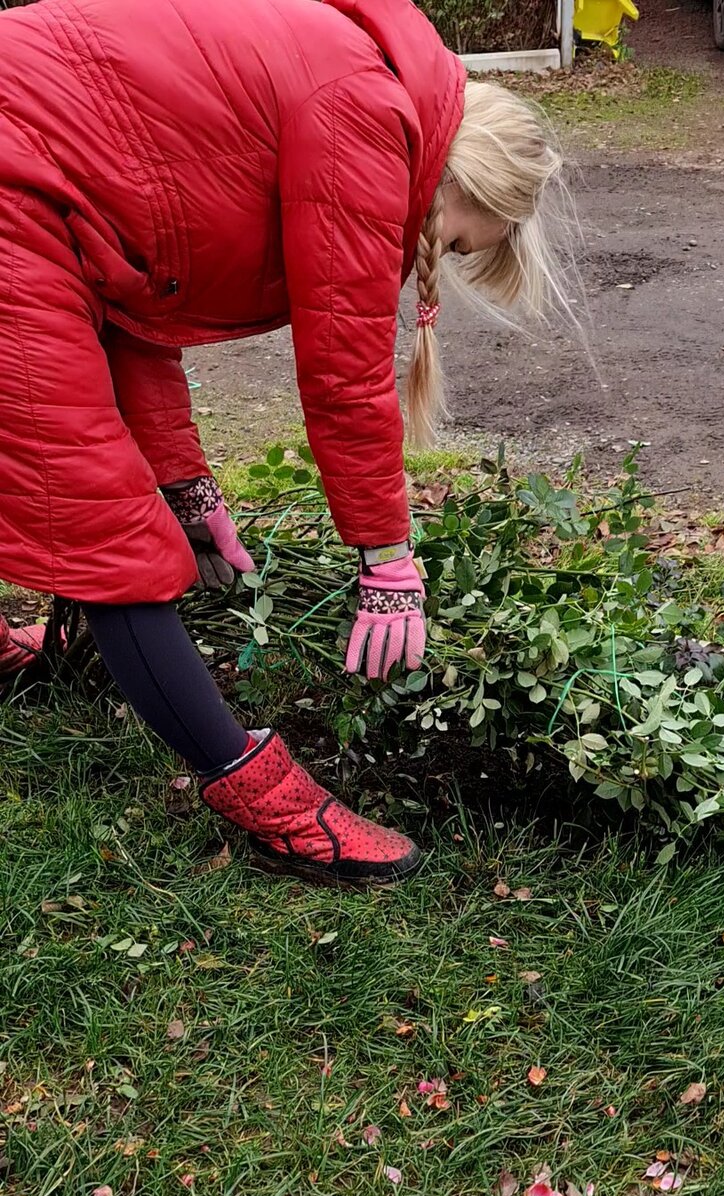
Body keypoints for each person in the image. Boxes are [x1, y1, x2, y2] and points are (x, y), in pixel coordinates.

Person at [0, 0, 569, 886]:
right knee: (104, 526)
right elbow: (344, 373)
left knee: (100, 488)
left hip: (34, 184)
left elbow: (132, 291)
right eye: (457, 244)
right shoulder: (369, 114)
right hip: (12, 190)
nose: (439, 261)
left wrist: (186, 488)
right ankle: (260, 797)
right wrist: (387, 561)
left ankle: (47, 646)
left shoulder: (373, 81)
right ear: (462, 186)